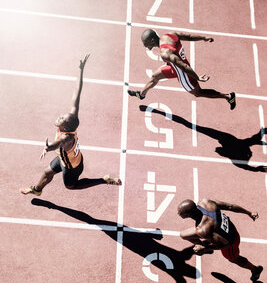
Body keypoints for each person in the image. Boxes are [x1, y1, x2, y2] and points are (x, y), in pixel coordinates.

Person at [20, 54, 121, 196]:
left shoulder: (66, 138)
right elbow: (77, 94)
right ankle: (37, 190)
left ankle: (103, 180)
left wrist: (48, 148)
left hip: (71, 166)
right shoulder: (71, 122)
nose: (59, 117)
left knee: (71, 186)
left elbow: (58, 144)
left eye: (61, 119)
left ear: (66, 127)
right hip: (68, 158)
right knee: (47, 172)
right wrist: (81, 70)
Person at [128, 29, 236, 110]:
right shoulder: (170, 35)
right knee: (155, 77)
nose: (144, 45)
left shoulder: (165, 53)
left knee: (198, 93)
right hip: (173, 67)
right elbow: (188, 36)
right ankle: (141, 94)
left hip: (184, 74)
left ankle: (228, 96)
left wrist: (197, 77)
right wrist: (203, 38)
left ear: (152, 41)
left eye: (145, 43)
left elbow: (183, 67)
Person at [177, 198, 263, 282]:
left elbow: (225, 244)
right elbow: (230, 206)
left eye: (181, 213)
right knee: (183, 235)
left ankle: (255, 270)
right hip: (226, 230)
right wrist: (249, 213)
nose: (178, 214)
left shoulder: (203, 230)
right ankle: (205, 247)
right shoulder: (205, 202)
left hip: (231, 242)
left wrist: (205, 248)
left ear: (189, 214)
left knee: (234, 258)